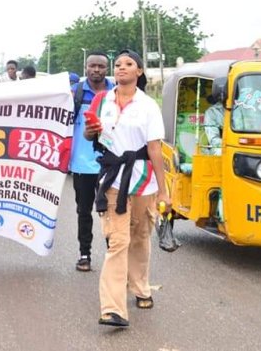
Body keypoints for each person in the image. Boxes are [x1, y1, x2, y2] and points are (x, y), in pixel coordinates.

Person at [85, 50, 170, 328]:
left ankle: (141, 287)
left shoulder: (147, 106)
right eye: (118, 64)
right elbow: (92, 134)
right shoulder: (102, 100)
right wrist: (91, 130)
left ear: (139, 72)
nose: (121, 68)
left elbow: (155, 149)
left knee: (140, 236)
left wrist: (164, 191)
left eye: (128, 64)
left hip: (144, 180)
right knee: (118, 241)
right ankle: (112, 308)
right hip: (113, 179)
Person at [69, 52, 114, 272]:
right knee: (84, 211)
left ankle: (113, 254)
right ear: (86, 67)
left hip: (110, 164)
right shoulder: (74, 92)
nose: (96, 70)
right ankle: (84, 253)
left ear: (107, 68)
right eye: (92, 66)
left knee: (112, 212)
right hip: (81, 164)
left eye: (101, 66)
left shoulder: (115, 92)